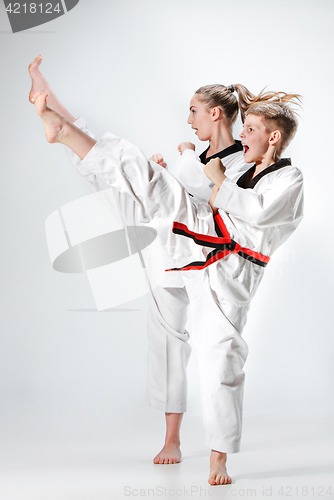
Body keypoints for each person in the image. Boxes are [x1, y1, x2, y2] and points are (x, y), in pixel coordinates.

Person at [30, 64, 304, 485]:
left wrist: (207, 178)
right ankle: (64, 128)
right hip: (195, 244)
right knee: (138, 185)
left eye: (251, 129)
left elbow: (257, 213)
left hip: (227, 263)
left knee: (221, 362)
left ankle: (218, 459)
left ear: (270, 136)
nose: (245, 134)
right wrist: (190, 173)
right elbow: (217, 198)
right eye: (244, 127)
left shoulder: (285, 177)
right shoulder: (241, 168)